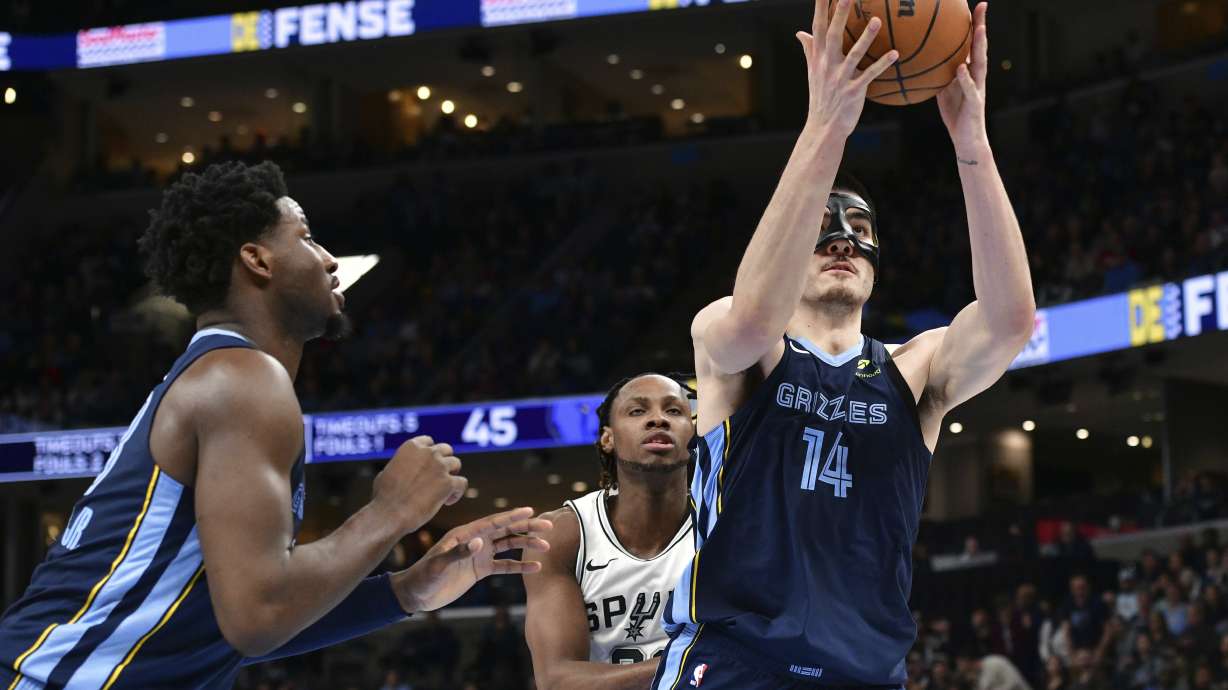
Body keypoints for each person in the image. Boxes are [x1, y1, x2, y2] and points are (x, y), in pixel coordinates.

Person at [0, 161, 551, 689]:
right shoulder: (243, 380)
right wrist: (391, 511)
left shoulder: (223, 375)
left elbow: (233, 628)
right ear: (257, 261)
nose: (331, 259)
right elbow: (258, 615)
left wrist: (409, 589)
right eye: (308, 238)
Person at [654, 1, 1036, 687]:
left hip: (867, 672)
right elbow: (751, 318)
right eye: (824, 223)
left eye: (859, 224)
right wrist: (827, 124)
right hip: (739, 662)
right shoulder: (737, 341)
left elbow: (1011, 322)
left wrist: (971, 143)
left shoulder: (914, 371)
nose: (841, 237)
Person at [525, 374, 696, 689]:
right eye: (637, 411)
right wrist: (690, 662)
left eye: (673, 411)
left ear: (694, 432)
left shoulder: (725, 524)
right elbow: (558, 680)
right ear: (608, 438)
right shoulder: (562, 535)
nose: (658, 419)